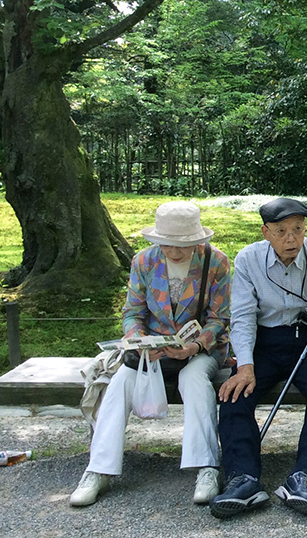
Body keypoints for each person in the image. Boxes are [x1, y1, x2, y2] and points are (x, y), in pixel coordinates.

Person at [70, 201, 231, 507]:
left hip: (202, 349)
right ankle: (98, 469)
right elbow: (132, 313)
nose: (175, 251)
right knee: (119, 383)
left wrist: (193, 347)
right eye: (168, 243)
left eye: (183, 244)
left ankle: (206, 467)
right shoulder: (144, 261)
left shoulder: (216, 262)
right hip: (153, 352)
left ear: (197, 240)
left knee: (195, 380)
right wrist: (140, 342)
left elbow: (220, 319)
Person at [211, 197, 307, 518]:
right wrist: (244, 366)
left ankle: (303, 477)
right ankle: (242, 479)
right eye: (282, 231)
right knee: (234, 395)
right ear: (265, 232)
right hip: (264, 341)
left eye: (298, 230)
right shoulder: (248, 260)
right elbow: (243, 316)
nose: (291, 239)